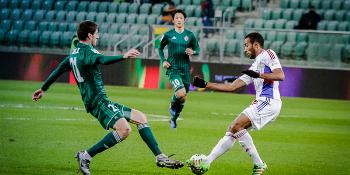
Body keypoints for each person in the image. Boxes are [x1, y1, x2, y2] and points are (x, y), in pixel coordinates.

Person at [32, 20, 183, 175]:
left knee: (141, 118)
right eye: (97, 33)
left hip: (99, 100)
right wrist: (124, 56)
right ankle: (86, 156)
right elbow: (103, 60)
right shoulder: (88, 52)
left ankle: (160, 156)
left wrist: (43, 89)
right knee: (124, 130)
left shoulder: (74, 54)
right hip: (97, 101)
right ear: (90, 35)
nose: (98, 36)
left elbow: (58, 70)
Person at [189, 32, 285, 175]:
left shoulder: (268, 54)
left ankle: (259, 164)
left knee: (236, 126)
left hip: (269, 101)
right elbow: (231, 87)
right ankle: (207, 162)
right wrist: (205, 84)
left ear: (256, 45)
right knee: (232, 130)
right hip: (262, 101)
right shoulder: (253, 67)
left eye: (247, 45)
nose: (245, 49)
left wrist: (259, 75)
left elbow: (280, 75)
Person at [158, 9, 200, 128]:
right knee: (180, 93)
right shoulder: (168, 34)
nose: (179, 20)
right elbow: (160, 48)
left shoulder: (190, 35)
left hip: (185, 70)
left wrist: (193, 51)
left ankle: (174, 118)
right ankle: (172, 104)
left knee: (183, 98)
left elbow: (198, 49)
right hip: (173, 68)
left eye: (181, 18)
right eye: (177, 18)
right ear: (173, 20)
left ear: (184, 20)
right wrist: (164, 60)